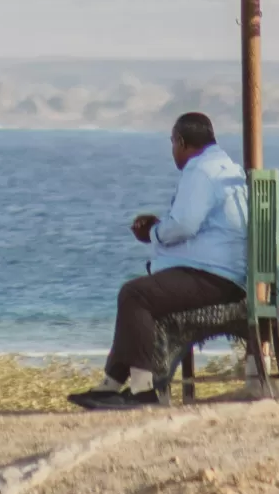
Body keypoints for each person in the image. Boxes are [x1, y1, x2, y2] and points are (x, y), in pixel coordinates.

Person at [72, 111, 248, 408]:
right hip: (229, 275)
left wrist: (153, 233)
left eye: (172, 143)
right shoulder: (227, 167)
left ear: (180, 141)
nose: (173, 150)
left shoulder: (200, 171)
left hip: (215, 279)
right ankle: (112, 384)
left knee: (136, 294)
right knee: (141, 292)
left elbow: (185, 225)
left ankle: (142, 391)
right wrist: (160, 226)